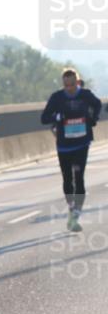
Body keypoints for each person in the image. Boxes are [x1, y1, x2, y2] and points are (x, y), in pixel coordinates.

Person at [40, 68, 102, 231]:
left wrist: (92, 119)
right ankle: (71, 207)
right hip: (64, 145)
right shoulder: (57, 97)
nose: (69, 88)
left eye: (72, 84)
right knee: (68, 180)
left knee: (79, 177)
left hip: (82, 143)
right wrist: (57, 117)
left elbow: (98, 104)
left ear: (77, 82)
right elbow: (44, 118)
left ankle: (75, 215)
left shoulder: (86, 95)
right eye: (66, 85)